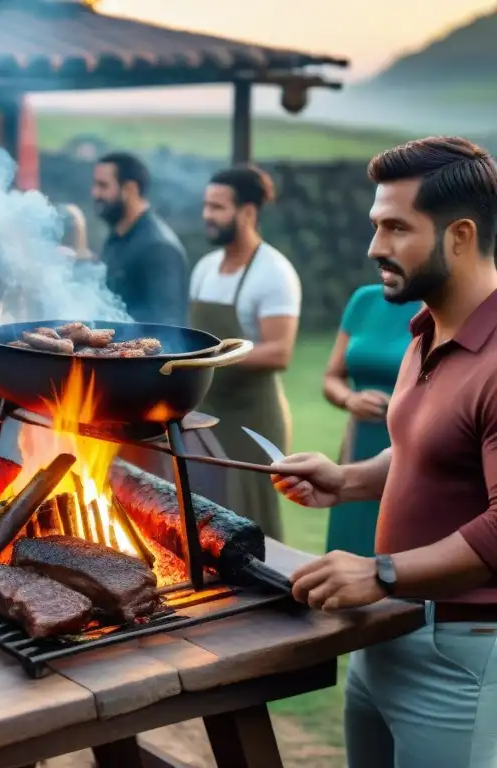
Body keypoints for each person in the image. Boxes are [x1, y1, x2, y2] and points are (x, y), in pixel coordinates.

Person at [271, 137, 497, 768]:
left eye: (397, 228)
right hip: (385, 631)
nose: (375, 247)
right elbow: (426, 452)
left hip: (461, 653)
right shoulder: (423, 329)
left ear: (460, 236)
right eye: (376, 226)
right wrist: (345, 479)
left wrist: (380, 571)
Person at [189, 165, 301, 541]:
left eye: (218, 207)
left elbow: (279, 352)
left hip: (251, 421)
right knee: (203, 522)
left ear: (248, 212)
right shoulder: (204, 268)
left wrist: (209, 358)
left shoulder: (273, 272)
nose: (208, 215)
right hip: (205, 415)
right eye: (206, 205)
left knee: (250, 527)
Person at [322, 284, 419, 556]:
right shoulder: (365, 299)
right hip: (358, 444)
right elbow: (332, 377)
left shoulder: (443, 307)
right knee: (349, 544)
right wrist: (349, 399)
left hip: (412, 447)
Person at [92, 152, 189, 326]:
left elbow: (168, 326)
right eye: (95, 185)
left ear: (130, 190)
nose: (95, 193)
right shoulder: (116, 238)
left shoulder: (159, 248)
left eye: (103, 186)